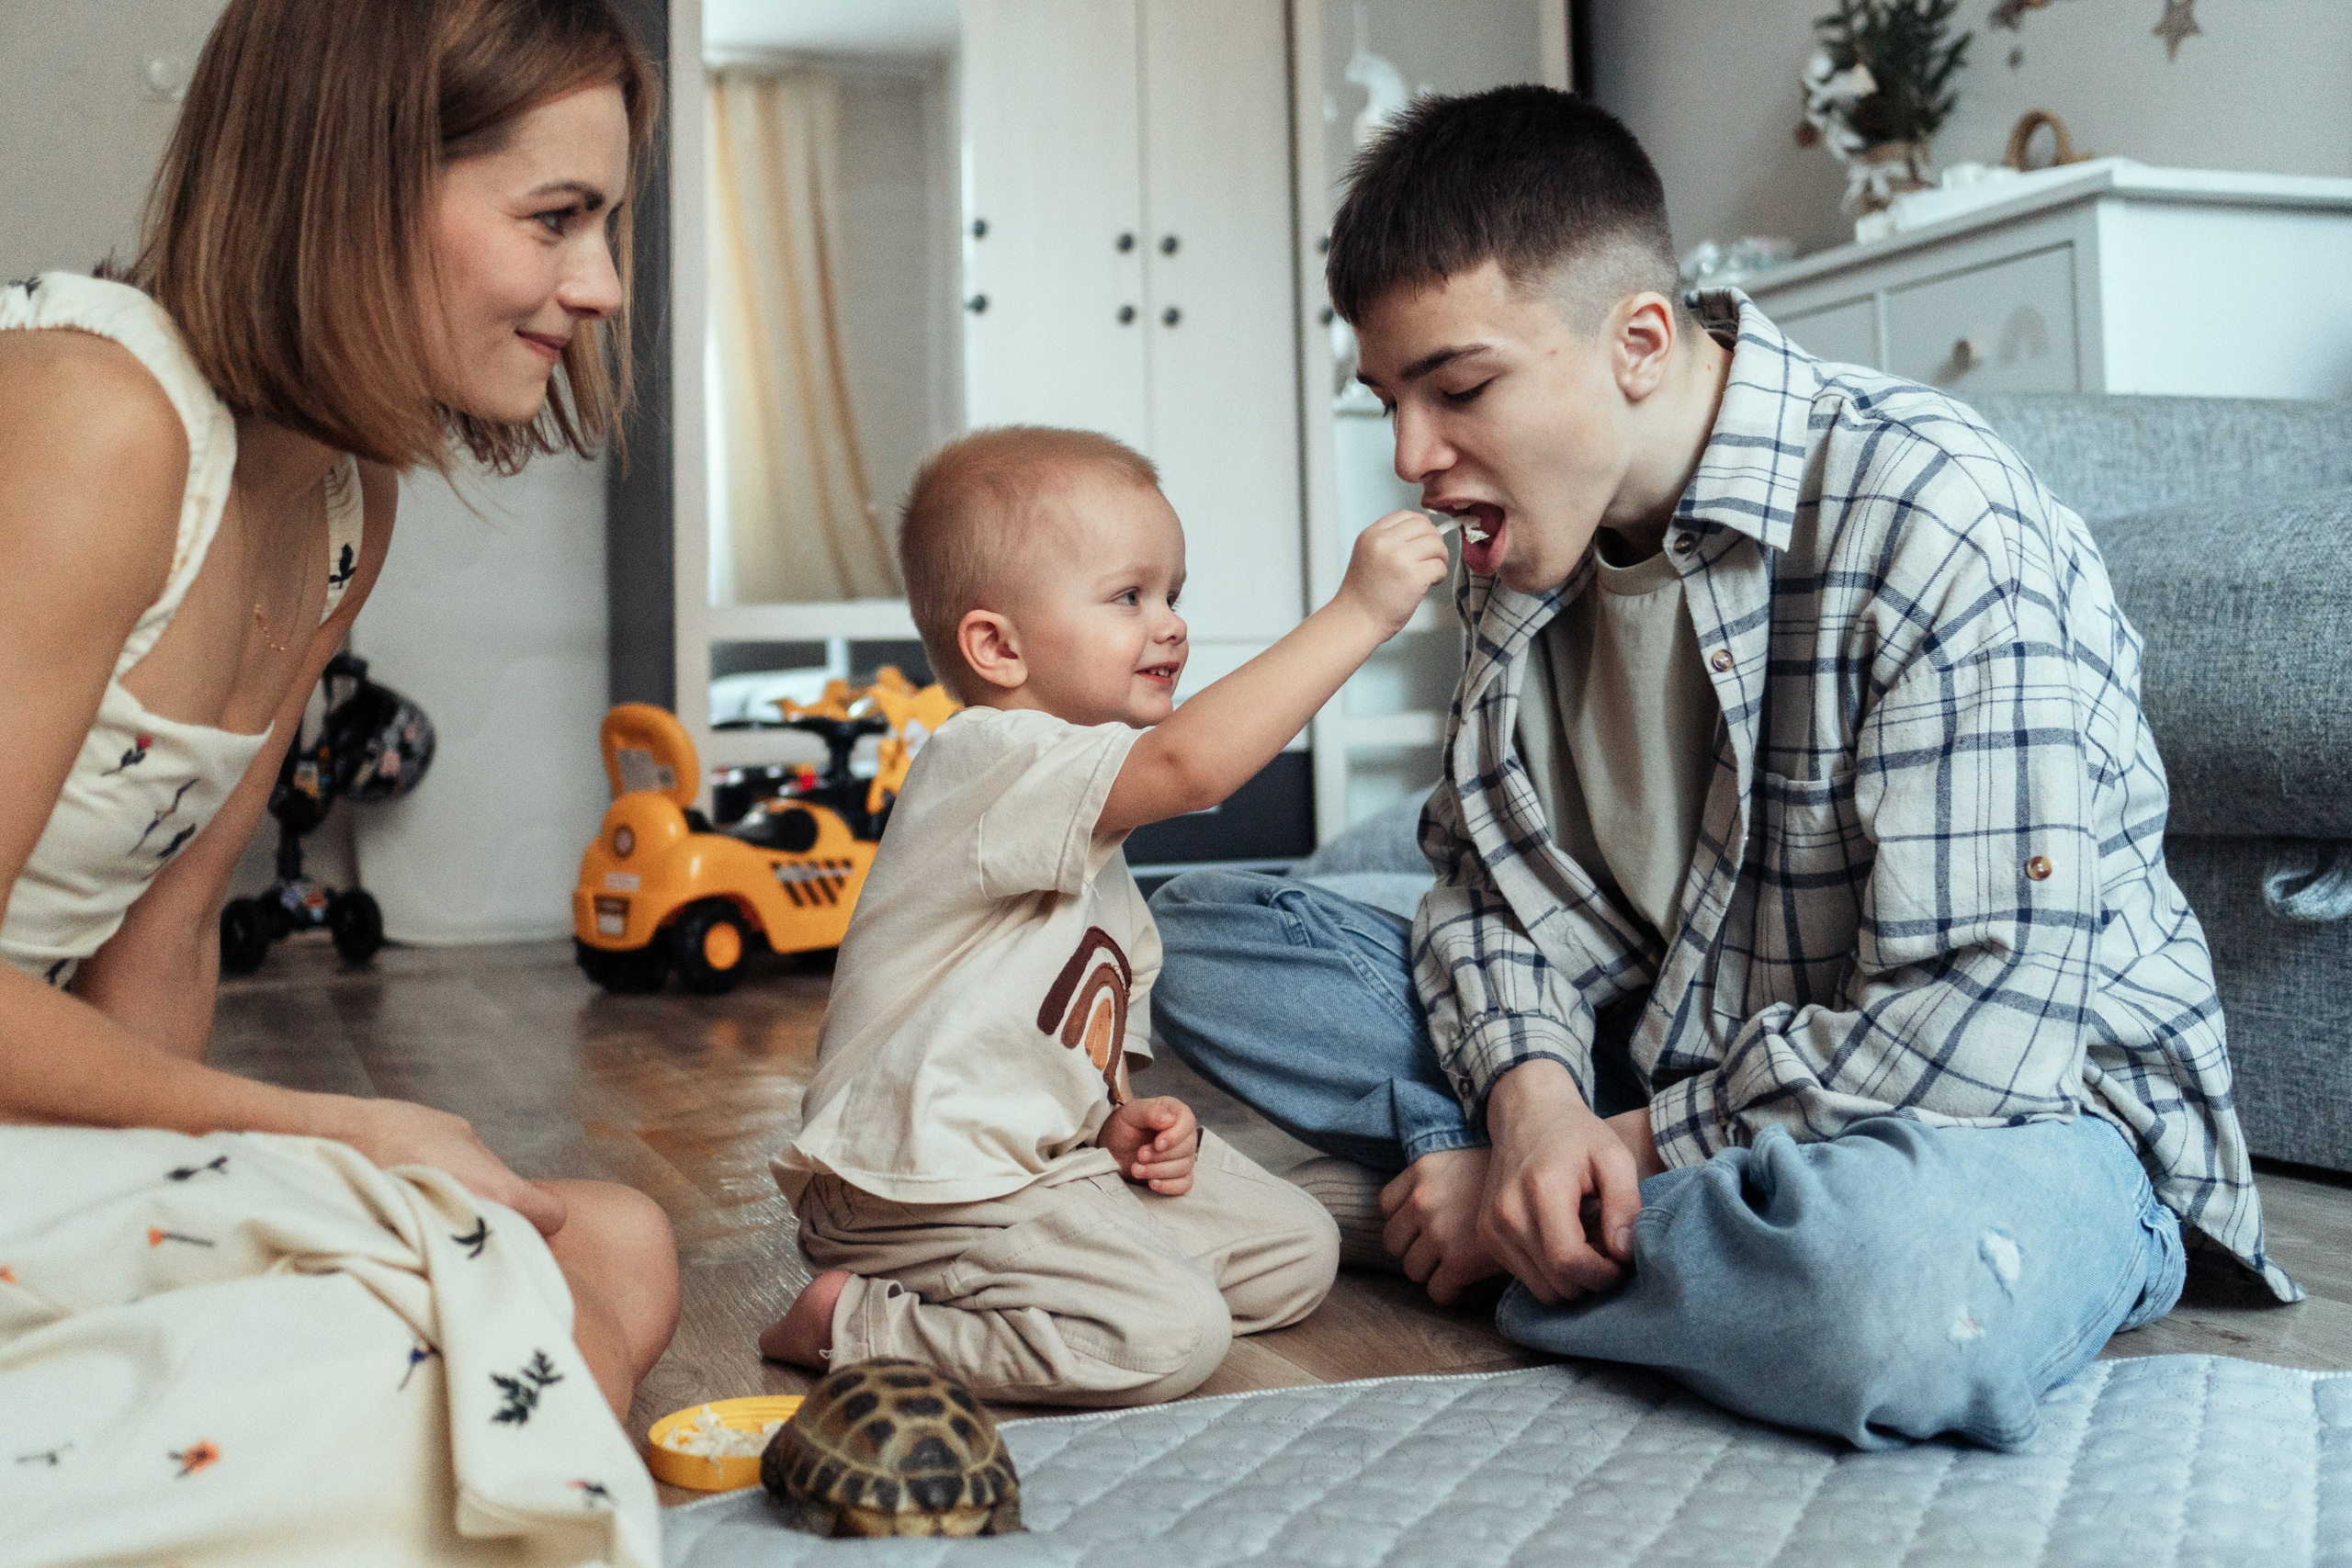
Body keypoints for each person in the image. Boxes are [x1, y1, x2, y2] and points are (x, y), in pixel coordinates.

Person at [1148, 86, 2298, 1450]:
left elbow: (1979, 1025)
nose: (1412, 456)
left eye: (1457, 389)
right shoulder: (1523, 541)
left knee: (1879, 1299)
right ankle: (1559, 1204)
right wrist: (1533, 1101)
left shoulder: (1931, 512)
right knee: (1169, 931)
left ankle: (1483, 1224)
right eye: (1390, 396)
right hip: (1672, 1048)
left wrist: (1615, 1144)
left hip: (2019, 1111)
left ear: (1639, 339)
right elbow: (1486, 891)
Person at [1, 2, 677, 1557]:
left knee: (612, 1240)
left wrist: (208, 1210)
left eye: (607, 223)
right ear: (358, 183)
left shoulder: (345, 507)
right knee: (425, 1336)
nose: (601, 286)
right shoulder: (98, 418)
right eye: (556, 219)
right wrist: (322, 1134)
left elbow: (158, 944)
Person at [758, 426, 1448, 1405]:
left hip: (1045, 1168)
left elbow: (1061, 1031)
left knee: (1299, 1251)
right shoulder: (984, 760)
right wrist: (1358, 613)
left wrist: (1121, 1122)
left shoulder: (1084, 832)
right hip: (923, 1188)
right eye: (1129, 597)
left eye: (1174, 595)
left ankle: (1081, 1281)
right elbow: (1192, 769)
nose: (1168, 625)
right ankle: (855, 1321)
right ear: (996, 646)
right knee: (1173, 1337)